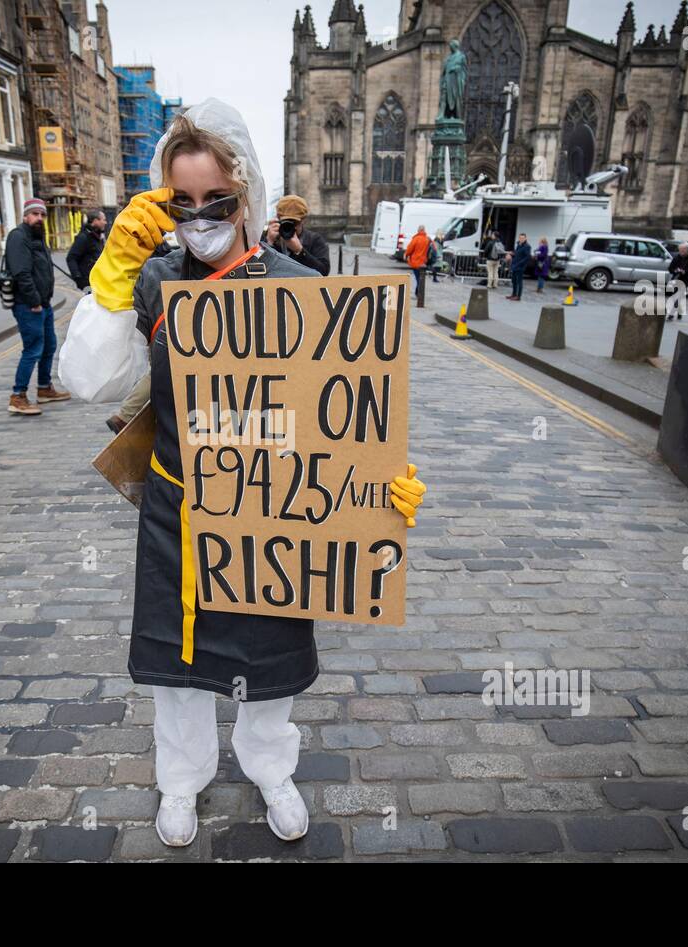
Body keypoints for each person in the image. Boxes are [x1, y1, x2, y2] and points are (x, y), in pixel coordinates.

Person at [79, 99, 427, 848]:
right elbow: (88, 381)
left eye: (217, 200)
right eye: (182, 201)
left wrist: (377, 485)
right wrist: (114, 272)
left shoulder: (301, 283)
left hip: (273, 510)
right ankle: (181, 781)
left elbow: (344, 407)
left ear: (248, 197)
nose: (199, 215)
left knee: (267, 661)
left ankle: (270, 768)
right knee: (178, 666)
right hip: (179, 507)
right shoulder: (156, 281)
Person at [5, 196, 70, 415]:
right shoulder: (18, 236)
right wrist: (33, 301)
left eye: (42, 214)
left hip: (43, 304)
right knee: (32, 350)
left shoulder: (37, 236)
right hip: (28, 305)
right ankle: (18, 396)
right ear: (25, 216)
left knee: (49, 346)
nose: (39, 218)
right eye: (35, 214)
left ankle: (44, 388)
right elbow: (21, 272)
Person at [262, 194, 330, 276]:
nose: (290, 226)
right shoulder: (268, 237)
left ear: (303, 220)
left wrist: (300, 251)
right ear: (278, 217)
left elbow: (323, 272)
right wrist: (269, 243)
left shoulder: (315, 240)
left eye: (295, 223)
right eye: (286, 221)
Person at [65, 211, 106, 291]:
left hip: (99, 282)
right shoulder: (84, 237)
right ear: (95, 221)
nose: (105, 222)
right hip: (89, 283)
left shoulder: (97, 236)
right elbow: (71, 258)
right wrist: (79, 279)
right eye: (103, 220)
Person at [666, 242, 688, 322]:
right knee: (674, 297)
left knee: (678, 297)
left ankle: (671, 315)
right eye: (680, 250)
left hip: (686, 280)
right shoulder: (677, 257)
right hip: (676, 279)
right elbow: (670, 268)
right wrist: (676, 270)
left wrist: (685, 271)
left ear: (687, 249)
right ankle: (680, 311)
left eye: (682, 250)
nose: (681, 252)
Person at [404, 225, 432, 297]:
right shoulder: (427, 239)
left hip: (415, 261)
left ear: (418, 230)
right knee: (420, 277)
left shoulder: (416, 239)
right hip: (423, 262)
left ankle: (419, 292)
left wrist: (406, 254)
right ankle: (418, 292)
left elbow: (410, 248)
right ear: (424, 230)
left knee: (418, 278)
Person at [507, 233, 531, 301]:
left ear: (525, 238)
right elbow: (516, 253)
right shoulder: (518, 245)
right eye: (520, 238)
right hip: (515, 265)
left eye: (523, 238)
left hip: (520, 267)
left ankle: (518, 296)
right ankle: (513, 294)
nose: (521, 239)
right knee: (514, 281)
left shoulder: (527, 246)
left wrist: (520, 263)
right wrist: (511, 254)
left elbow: (527, 257)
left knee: (519, 282)